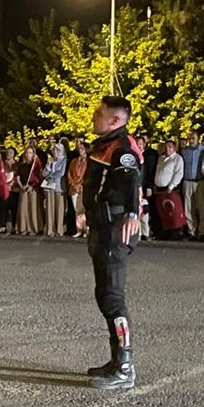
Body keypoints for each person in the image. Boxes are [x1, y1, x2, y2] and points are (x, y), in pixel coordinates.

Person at [77, 95, 142, 390]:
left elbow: (131, 181)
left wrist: (131, 213)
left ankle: (125, 367)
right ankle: (115, 360)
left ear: (116, 120)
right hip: (101, 227)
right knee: (105, 295)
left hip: (114, 229)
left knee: (113, 298)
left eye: (99, 113)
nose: (94, 115)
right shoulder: (105, 145)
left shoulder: (121, 147)